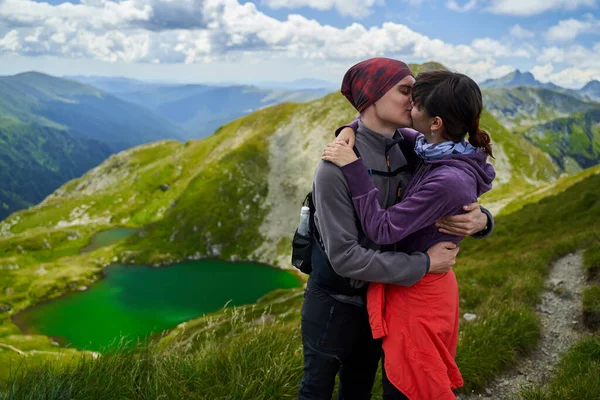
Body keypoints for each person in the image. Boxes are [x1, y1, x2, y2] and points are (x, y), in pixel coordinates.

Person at [298, 58, 493, 400]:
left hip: (385, 297)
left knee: (358, 386)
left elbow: (450, 185)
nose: (412, 101)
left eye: (415, 93)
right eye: (406, 91)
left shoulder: (411, 147)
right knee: (316, 389)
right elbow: (345, 256)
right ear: (372, 97)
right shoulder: (335, 166)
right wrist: (424, 265)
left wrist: (482, 220)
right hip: (336, 302)